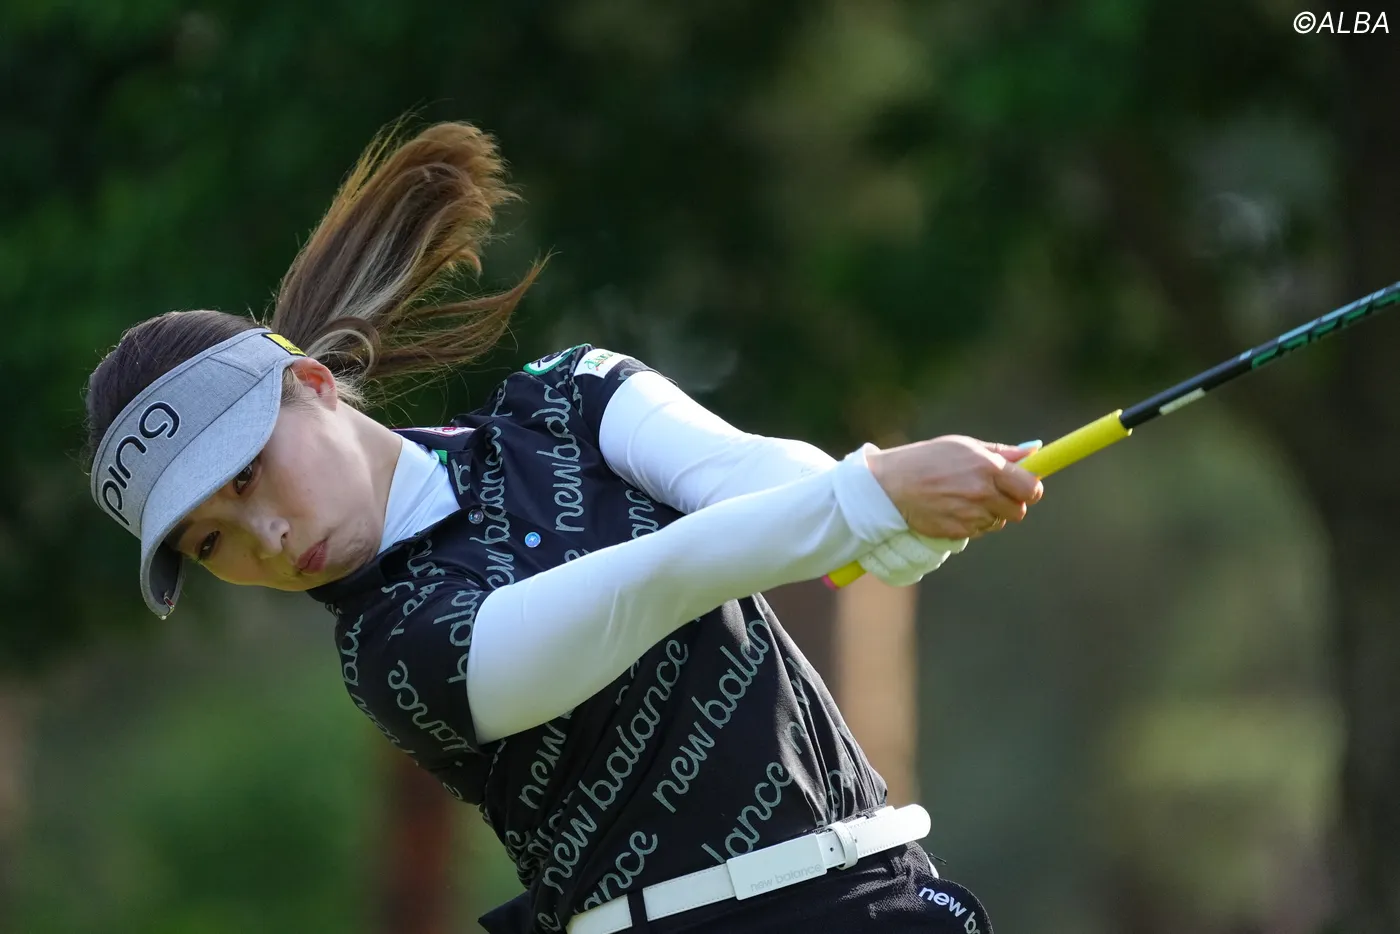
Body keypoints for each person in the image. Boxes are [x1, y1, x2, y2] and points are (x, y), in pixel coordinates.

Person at [83, 121, 1042, 933]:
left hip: (880, 891)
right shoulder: (395, 651)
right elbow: (657, 581)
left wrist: (878, 515)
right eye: (211, 543)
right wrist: (870, 500)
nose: (267, 539)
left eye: (248, 474)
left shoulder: (568, 398)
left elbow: (756, 481)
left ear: (314, 383)